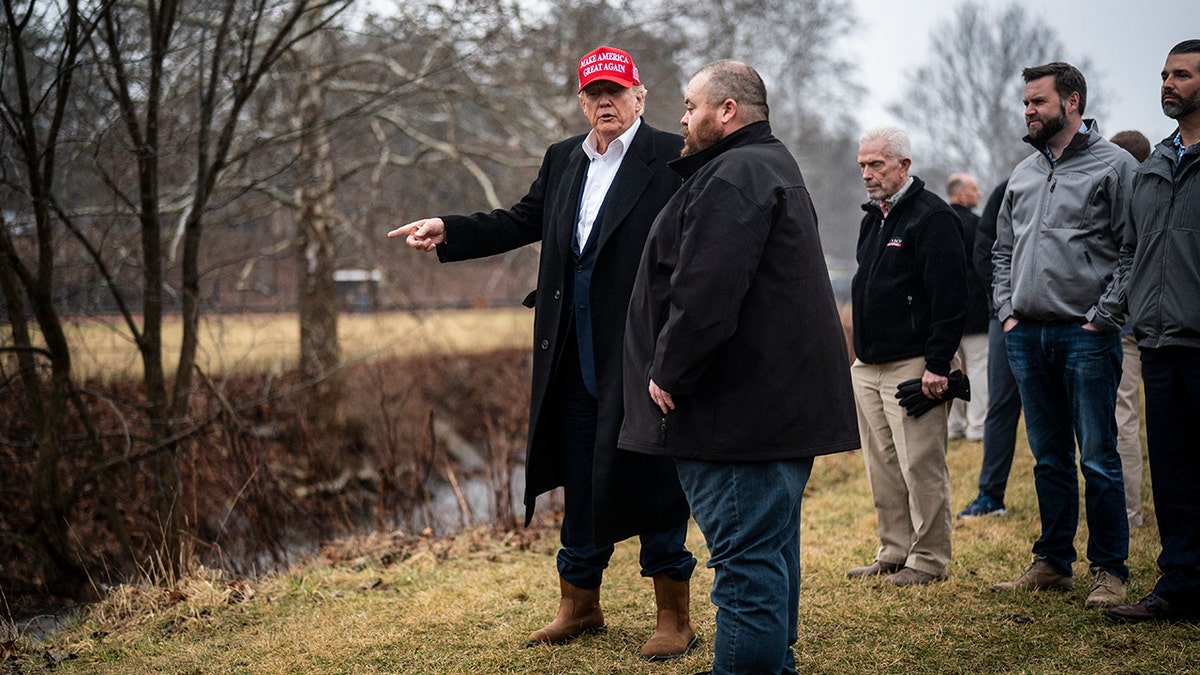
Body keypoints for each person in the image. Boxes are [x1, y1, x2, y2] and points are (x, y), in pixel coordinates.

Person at [388, 46, 699, 660]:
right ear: (582, 100)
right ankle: (580, 605)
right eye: (592, 93)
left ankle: (674, 616)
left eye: (615, 90)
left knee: (654, 474)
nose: (603, 102)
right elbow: (521, 219)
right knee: (579, 474)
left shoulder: (673, 156)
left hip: (643, 356)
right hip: (571, 356)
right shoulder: (564, 159)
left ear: (640, 94)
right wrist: (451, 228)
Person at [618, 60, 859, 675]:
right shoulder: (767, 164)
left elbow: (706, 294)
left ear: (728, 110)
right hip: (768, 410)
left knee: (746, 567)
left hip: (738, 419)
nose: (682, 115)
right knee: (770, 553)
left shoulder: (734, 175)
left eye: (692, 104)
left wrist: (667, 371)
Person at [990, 62, 1136, 609]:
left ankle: (1110, 571)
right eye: (1025, 103)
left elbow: (1132, 248)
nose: (1028, 111)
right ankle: (1053, 562)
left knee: (1097, 456)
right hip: (1027, 335)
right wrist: (1007, 312)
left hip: (1087, 335)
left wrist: (1104, 315)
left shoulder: (1115, 166)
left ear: (1071, 102)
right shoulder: (1023, 174)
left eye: (1038, 102)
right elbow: (1002, 250)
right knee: (1047, 457)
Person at [845, 126, 967, 587]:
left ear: (904, 165)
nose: (867, 173)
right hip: (869, 365)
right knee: (883, 467)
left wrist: (938, 364)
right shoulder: (872, 217)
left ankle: (930, 559)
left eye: (876, 164)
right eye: (862, 165)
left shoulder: (932, 218)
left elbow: (950, 298)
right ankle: (894, 550)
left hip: (914, 366)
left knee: (921, 466)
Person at [1108, 39, 1200, 624]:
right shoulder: (1154, 164)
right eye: (1165, 74)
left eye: (1182, 75)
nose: (1167, 83)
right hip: (1160, 344)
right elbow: (1133, 249)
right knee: (1173, 475)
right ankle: (1181, 584)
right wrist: (1127, 310)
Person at [956, 179, 1023, 518]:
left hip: (1072, 320)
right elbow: (985, 251)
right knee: (1001, 405)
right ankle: (990, 495)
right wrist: (1005, 306)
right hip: (1006, 318)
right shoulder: (1011, 187)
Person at [1109, 129, 1152, 528]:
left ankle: (1128, 511)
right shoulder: (1161, 192)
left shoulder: (1122, 195)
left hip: (1124, 323)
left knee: (1123, 417)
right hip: (1162, 320)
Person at [946, 173, 990, 443]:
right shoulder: (978, 226)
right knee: (977, 367)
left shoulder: (938, 222)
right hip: (974, 311)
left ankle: (953, 427)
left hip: (944, 314)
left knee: (950, 369)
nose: (979, 194)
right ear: (960, 194)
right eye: (974, 189)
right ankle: (978, 428)